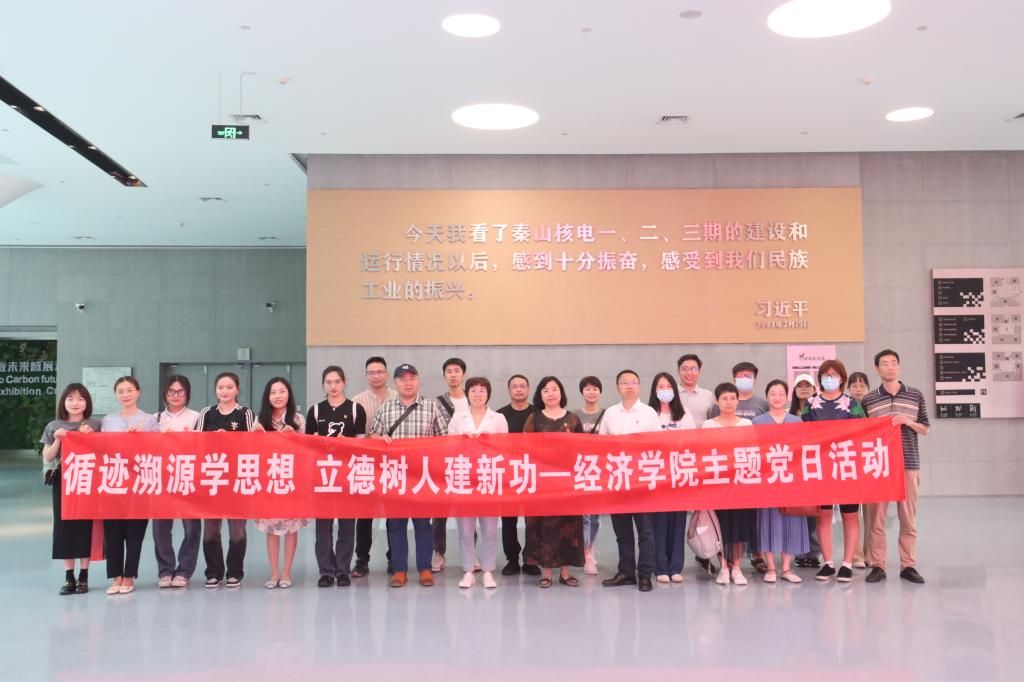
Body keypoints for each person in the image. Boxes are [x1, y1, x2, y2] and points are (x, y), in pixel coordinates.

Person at [368, 364, 449, 587]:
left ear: (418, 380)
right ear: (395, 383)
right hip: (395, 476)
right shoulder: (386, 408)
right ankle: (399, 570)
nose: (408, 382)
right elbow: (372, 435)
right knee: (395, 525)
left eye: (412, 378)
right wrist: (378, 439)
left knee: (423, 524)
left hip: (422, 477)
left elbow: (445, 439)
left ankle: (424, 569)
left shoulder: (431, 407)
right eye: (402, 379)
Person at [861, 349, 930, 585]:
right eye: (884, 363)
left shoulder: (915, 395)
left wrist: (908, 421)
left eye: (893, 363)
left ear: (899, 366)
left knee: (908, 518)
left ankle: (908, 565)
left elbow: (925, 428)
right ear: (877, 369)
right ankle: (878, 565)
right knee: (876, 520)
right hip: (879, 466)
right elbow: (863, 433)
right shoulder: (869, 399)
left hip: (908, 463)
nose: (889, 367)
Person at [802, 359, 866, 583]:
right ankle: (828, 563)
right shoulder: (811, 403)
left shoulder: (851, 404)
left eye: (834, 375)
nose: (830, 379)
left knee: (850, 515)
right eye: (825, 375)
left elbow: (863, 432)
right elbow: (802, 434)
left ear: (841, 378)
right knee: (824, 516)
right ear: (820, 379)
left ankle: (847, 563)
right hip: (821, 468)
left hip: (847, 467)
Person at [598, 369, 659, 593]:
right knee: (622, 532)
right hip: (618, 480)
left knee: (645, 532)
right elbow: (601, 446)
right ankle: (626, 572)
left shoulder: (649, 413)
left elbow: (658, 446)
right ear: (617, 387)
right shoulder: (610, 413)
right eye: (624, 382)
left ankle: (645, 574)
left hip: (642, 481)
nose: (629, 386)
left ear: (639, 386)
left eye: (634, 382)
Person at [306, 365, 366, 587]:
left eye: (337, 382)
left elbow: (361, 445)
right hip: (323, 477)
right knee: (323, 527)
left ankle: (342, 570)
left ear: (344, 382)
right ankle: (325, 571)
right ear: (323, 385)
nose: (333, 386)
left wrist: (346, 443)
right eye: (329, 382)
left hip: (347, 475)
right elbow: (308, 446)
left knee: (347, 526)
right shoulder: (315, 411)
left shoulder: (355, 409)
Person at [523, 376, 585, 588]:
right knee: (545, 526)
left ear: (561, 393)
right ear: (540, 395)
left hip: (568, 482)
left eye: (554, 389)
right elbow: (525, 450)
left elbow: (582, 450)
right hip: (542, 482)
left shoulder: (573, 419)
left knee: (569, 526)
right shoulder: (534, 419)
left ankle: (565, 573)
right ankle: (546, 572)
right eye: (546, 390)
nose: (550, 393)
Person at [100, 376, 159, 594]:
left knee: (135, 534)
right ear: (116, 395)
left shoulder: (149, 420)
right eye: (121, 391)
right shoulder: (108, 421)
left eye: (130, 390)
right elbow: (101, 449)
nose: (126, 395)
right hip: (113, 483)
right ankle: (116, 576)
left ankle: (129, 576)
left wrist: (141, 439)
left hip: (138, 484)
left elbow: (158, 449)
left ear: (138, 392)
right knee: (112, 533)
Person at [447, 376, 508, 589]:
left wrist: (490, 442)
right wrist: (461, 440)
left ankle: (488, 570)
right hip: (464, 478)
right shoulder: (458, 417)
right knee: (465, 529)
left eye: (482, 390)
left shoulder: (498, 418)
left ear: (488, 394)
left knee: (490, 528)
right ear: (467, 394)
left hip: (488, 477)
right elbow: (448, 447)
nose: (478, 394)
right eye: (473, 390)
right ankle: (468, 570)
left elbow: (506, 448)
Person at [41, 383, 101, 596]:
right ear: (63, 402)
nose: (75, 403)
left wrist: (92, 436)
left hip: (87, 480)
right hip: (63, 481)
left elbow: (105, 451)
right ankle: (69, 577)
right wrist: (58, 440)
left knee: (85, 526)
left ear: (87, 402)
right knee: (64, 525)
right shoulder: (53, 426)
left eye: (80, 399)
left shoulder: (95, 424)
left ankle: (84, 576)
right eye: (71, 399)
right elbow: (48, 456)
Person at [198, 372, 255, 588]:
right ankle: (213, 572)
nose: (225, 391)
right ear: (215, 390)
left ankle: (235, 571)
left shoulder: (245, 413)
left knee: (236, 530)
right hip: (211, 477)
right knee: (210, 530)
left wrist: (229, 439)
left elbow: (252, 444)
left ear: (237, 389)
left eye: (229, 387)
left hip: (236, 478)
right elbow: (195, 443)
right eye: (220, 387)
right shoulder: (207, 413)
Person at [752, 380, 809, 583]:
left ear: (787, 397)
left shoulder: (796, 421)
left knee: (791, 521)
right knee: (768, 521)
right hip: (767, 480)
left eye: (781, 394)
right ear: (767, 396)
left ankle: (786, 568)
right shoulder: (757, 422)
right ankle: (771, 567)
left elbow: (802, 450)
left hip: (791, 480)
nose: (777, 397)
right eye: (773, 393)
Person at [253, 377, 308, 589]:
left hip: (292, 481)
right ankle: (274, 572)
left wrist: (296, 437)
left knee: (291, 528)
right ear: (267, 396)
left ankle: (286, 572)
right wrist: (256, 436)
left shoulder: (298, 420)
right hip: (269, 481)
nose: (278, 396)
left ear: (289, 394)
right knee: (272, 528)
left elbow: (307, 451)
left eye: (282, 391)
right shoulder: (260, 420)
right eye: (273, 392)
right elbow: (252, 452)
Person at [703, 383, 756, 586]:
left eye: (733, 398)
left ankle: (737, 567)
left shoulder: (746, 424)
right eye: (724, 398)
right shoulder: (708, 425)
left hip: (741, 484)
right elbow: (703, 453)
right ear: (717, 401)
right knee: (720, 527)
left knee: (740, 526)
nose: (729, 402)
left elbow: (752, 452)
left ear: (738, 401)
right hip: (717, 484)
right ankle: (723, 567)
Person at [351, 356, 397, 577]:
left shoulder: (398, 397)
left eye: (380, 372)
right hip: (366, 464)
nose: (376, 376)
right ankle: (362, 559)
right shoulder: (356, 402)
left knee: (393, 514)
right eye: (372, 372)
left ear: (387, 374)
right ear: (366, 376)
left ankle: (394, 557)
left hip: (394, 464)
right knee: (364, 515)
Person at [153, 375, 201, 588]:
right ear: (165, 393)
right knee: (161, 528)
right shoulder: (155, 418)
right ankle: (165, 570)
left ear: (187, 394)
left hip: (188, 477)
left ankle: (185, 570)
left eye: (180, 391)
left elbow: (202, 446)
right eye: (171, 391)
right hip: (162, 479)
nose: (176, 395)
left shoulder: (196, 417)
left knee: (191, 528)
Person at [648, 372, 696, 583]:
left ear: (675, 390)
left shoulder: (684, 413)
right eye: (660, 387)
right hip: (656, 474)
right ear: (654, 390)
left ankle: (675, 566)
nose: (665, 390)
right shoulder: (649, 413)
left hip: (679, 473)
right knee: (658, 522)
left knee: (677, 521)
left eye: (668, 386)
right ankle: (660, 566)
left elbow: (694, 441)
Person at [496, 374, 539, 576]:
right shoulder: (499, 416)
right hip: (508, 475)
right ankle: (512, 560)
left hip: (533, 474)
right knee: (508, 520)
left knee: (533, 520)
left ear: (528, 389)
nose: (519, 389)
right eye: (515, 386)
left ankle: (531, 559)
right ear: (509, 390)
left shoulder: (538, 414)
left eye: (523, 386)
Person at [432, 357, 469, 573]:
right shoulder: (436, 403)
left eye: (457, 371)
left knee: (468, 512)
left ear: (463, 374)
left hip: (468, 464)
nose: (453, 375)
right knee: (439, 513)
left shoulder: (473, 399)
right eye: (449, 371)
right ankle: (439, 553)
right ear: (444, 375)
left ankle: (469, 555)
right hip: (442, 464)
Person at [574, 376, 605, 575]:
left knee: (595, 517)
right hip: (581, 471)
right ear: (582, 392)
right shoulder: (575, 416)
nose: (591, 392)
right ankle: (586, 552)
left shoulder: (607, 415)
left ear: (600, 391)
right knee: (584, 516)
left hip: (601, 472)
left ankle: (591, 546)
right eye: (587, 389)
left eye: (595, 388)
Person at [790, 372, 821, 569]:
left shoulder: (819, 411)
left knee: (813, 512)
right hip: (793, 468)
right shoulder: (788, 413)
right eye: (799, 386)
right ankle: (799, 552)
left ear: (814, 389)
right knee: (796, 512)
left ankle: (813, 552)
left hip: (814, 465)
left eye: (807, 386)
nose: (803, 389)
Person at [847, 371, 872, 569]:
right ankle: (856, 556)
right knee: (853, 514)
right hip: (850, 464)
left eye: (862, 385)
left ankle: (871, 554)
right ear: (848, 389)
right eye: (854, 385)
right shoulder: (844, 406)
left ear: (868, 388)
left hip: (871, 463)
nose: (858, 389)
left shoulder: (875, 406)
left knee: (872, 513)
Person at [676, 354, 715, 427]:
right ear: (678, 371)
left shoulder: (708, 395)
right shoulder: (672, 395)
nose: (689, 373)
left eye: (693, 369)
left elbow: (713, 421)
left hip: (702, 434)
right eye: (685, 369)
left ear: (699, 372)